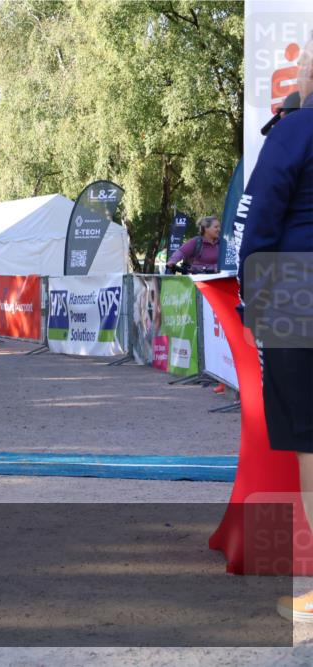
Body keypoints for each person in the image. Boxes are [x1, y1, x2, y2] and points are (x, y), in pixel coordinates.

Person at [235, 39, 313, 623]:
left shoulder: (294, 129)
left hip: (297, 290)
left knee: (311, 441)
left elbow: (258, 217)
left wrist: (252, 298)